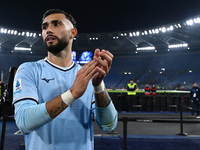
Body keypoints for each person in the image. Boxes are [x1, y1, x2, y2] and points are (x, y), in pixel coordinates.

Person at [13, 9, 118, 150]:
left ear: (73, 32)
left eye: (56, 24)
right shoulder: (29, 70)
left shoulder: (87, 74)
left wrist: (98, 86)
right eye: (44, 27)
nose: (48, 30)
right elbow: (24, 122)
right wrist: (72, 94)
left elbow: (108, 125)